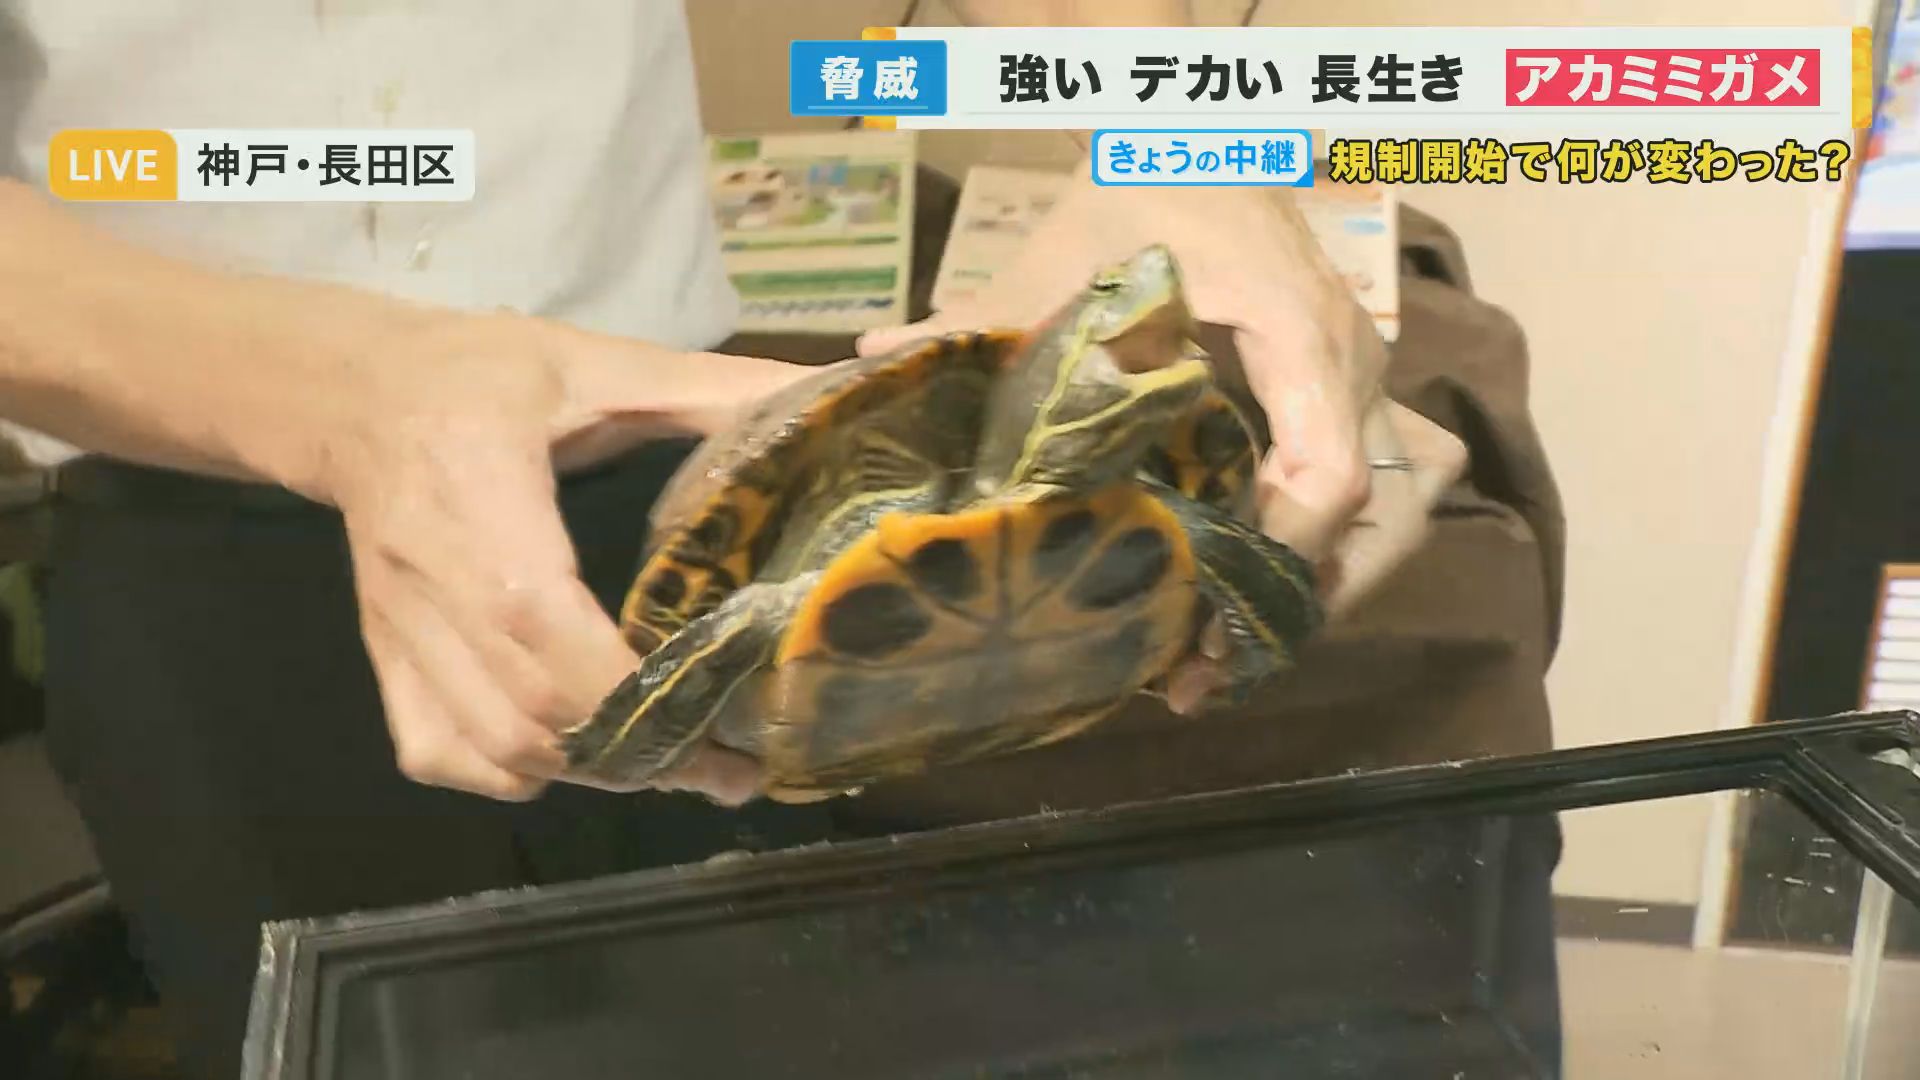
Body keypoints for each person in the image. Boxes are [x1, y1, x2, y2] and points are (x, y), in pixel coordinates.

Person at [0, 2, 1467, 1077]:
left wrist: (1162, 111)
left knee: (763, 1032)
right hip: (189, 529)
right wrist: (346, 398)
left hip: (655, 477)